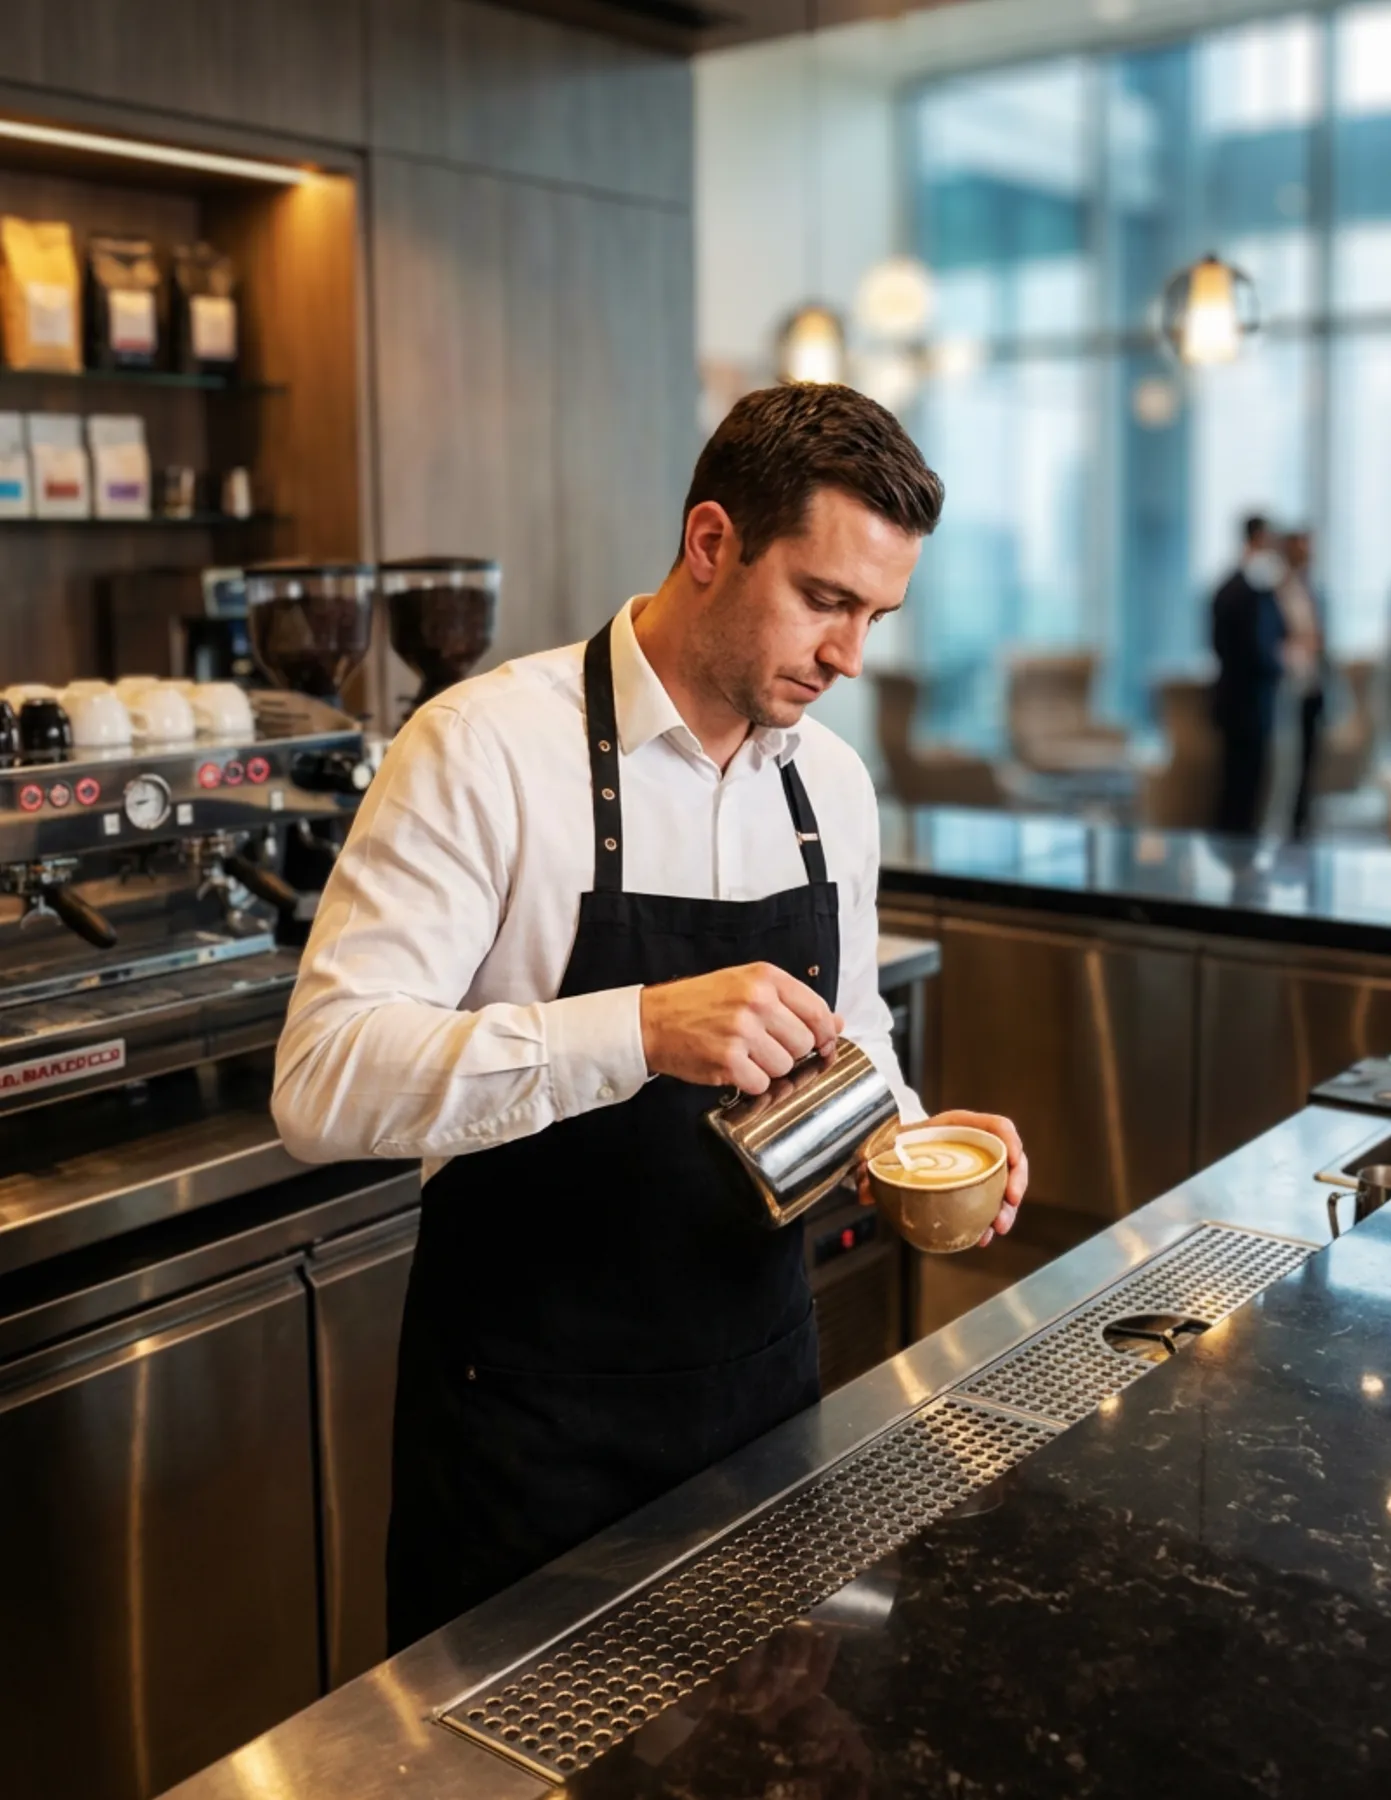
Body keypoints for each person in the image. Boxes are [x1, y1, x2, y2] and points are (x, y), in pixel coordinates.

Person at [271, 383, 1030, 1654]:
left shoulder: (831, 785)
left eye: (875, 616)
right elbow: (320, 1081)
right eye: (824, 600)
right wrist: (629, 1028)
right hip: (529, 1433)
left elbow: (845, 1035)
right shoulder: (483, 750)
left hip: (762, 1400)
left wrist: (903, 1143)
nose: (849, 656)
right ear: (712, 542)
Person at [1211, 514, 1288, 835]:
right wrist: (1281, 661)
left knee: (1250, 789)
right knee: (1238, 793)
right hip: (1242, 705)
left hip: (1254, 705)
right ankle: (1235, 863)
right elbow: (1245, 650)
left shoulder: (1251, 590)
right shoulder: (1237, 591)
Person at [1277, 527, 1326, 840]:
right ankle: (1288, 826)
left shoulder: (1313, 590)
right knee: (1288, 763)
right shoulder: (1279, 589)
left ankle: (1302, 823)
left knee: (1309, 760)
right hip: (1287, 687)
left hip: (1312, 684)